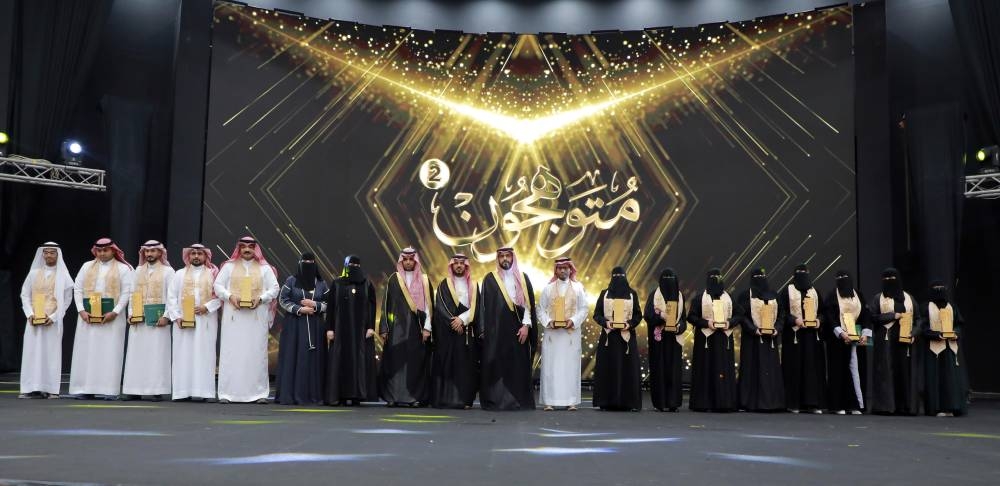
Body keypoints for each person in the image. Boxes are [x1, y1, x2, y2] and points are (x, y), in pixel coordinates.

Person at [213, 236, 280, 403]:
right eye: (243, 247)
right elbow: (218, 286)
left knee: (256, 354)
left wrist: (261, 298)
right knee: (231, 353)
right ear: (239, 249)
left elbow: (274, 288)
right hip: (234, 318)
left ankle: (259, 394)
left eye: (250, 246)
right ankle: (227, 393)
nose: (247, 249)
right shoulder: (228, 267)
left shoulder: (265, 268)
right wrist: (230, 296)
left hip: (256, 318)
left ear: (255, 249)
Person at [70, 238, 134, 399]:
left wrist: (115, 312)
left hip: (112, 318)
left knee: (109, 353)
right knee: (87, 352)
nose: (102, 253)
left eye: (105, 250)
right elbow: (77, 289)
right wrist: (81, 310)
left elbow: (127, 292)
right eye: (99, 250)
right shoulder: (86, 266)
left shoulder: (124, 269)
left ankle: (109, 390)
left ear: (113, 250)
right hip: (88, 317)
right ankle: (85, 389)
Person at [478, 247, 538, 411]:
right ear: (498, 259)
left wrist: (526, 326)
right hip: (496, 332)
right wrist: (483, 330)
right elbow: (483, 306)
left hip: (518, 329)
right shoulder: (490, 278)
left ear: (513, 258)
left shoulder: (523, 278)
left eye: (508, 256)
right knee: (497, 365)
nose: (505, 259)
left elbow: (528, 306)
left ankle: (518, 401)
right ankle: (497, 402)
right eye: (502, 256)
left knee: (517, 366)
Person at [378, 247, 433, 407]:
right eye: (405, 260)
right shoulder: (394, 279)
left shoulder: (424, 279)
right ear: (401, 261)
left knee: (414, 364)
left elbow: (429, 307)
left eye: (411, 260)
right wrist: (384, 328)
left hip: (417, 328)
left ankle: (413, 398)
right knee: (395, 363)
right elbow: (386, 305)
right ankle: (393, 397)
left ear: (415, 261)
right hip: (397, 330)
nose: (408, 262)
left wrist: (427, 328)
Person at [18, 242, 73, 399]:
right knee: (31, 353)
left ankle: (51, 389)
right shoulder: (33, 273)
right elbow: (25, 295)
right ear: (42, 254)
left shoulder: (64, 275)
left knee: (51, 354)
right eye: (46, 252)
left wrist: (54, 317)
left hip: (52, 322)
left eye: (52, 253)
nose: (49, 255)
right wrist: (29, 314)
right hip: (33, 320)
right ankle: (29, 388)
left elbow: (67, 300)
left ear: (57, 255)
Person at [122, 240, 175, 401]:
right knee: (136, 355)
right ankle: (133, 390)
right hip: (139, 320)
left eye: (153, 251)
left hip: (158, 321)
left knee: (156, 355)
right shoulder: (137, 270)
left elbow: (172, 296)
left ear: (160, 253)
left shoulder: (168, 271)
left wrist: (166, 316)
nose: (149, 254)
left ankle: (157, 390)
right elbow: (132, 294)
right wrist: (131, 313)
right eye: (147, 251)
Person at [166, 243, 221, 402]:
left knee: (205, 355)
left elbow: (220, 296)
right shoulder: (179, 274)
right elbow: (171, 297)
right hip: (183, 321)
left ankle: (205, 392)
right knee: (182, 355)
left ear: (205, 256)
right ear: (188, 256)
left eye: (199, 254)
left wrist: (206, 307)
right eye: (193, 254)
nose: (196, 256)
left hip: (206, 320)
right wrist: (177, 317)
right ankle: (182, 392)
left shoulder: (213, 274)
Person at [275, 252, 329, 405]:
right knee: (293, 356)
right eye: (305, 262)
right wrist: (299, 309)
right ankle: (291, 395)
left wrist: (315, 305)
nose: (308, 265)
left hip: (315, 327)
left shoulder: (321, 283)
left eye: (310, 262)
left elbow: (330, 303)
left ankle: (314, 395)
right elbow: (282, 300)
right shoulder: (291, 281)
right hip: (295, 327)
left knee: (314, 360)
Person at [325, 255, 377, 406]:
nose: (353, 267)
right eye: (350, 265)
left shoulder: (367, 284)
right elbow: (330, 307)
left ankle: (357, 395)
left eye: (356, 265)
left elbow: (372, 306)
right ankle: (340, 395)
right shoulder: (337, 283)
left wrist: (371, 327)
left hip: (360, 331)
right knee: (339, 360)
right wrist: (329, 328)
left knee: (358, 361)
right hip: (340, 330)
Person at [537, 257, 588, 411]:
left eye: (566, 268)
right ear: (556, 270)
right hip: (553, 335)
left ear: (570, 269)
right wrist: (549, 322)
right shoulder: (548, 288)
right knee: (551, 367)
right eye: (560, 268)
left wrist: (573, 320)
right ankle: (549, 402)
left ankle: (571, 401)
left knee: (570, 367)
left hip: (570, 335)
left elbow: (584, 309)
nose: (563, 271)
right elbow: (540, 309)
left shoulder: (578, 288)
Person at [430, 253, 479, 409]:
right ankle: (446, 399)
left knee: (465, 367)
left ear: (466, 266)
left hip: (466, 332)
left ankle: (464, 400)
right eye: (456, 263)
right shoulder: (444, 284)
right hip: (447, 333)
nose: (459, 265)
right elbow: (440, 307)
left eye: (461, 263)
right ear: (452, 265)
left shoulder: (474, 285)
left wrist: (462, 320)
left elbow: (476, 307)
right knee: (447, 365)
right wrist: (454, 322)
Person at [869, 268, 922, 415]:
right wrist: (893, 316)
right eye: (886, 278)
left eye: (892, 278)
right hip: (887, 340)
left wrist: (914, 334)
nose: (889, 281)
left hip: (905, 341)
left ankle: (906, 406)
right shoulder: (878, 298)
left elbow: (918, 319)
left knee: (904, 372)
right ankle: (886, 406)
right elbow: (872, 316)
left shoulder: (909, 298)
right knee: (887, 372)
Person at [592, 266, 643, 411]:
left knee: (627, 369)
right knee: (608, 369)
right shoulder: (604, 294)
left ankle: (627, 403)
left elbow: (638, 315)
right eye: (616, 276)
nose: (618, 279)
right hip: (609, 339)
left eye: (621, 276)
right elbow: (597, 314)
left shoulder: (632, 294)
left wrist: (629, 324)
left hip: (626, 340)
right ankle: (607, 402)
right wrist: (606, 323)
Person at [687, 269, 738, 412]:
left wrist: (730, 322)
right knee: (705, 369)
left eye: (717, 277)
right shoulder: (699, 298)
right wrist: (706, 323)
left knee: (722, 370)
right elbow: (691, 316)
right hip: (706, 340)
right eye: (712, 277)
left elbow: (739, 314)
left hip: (723, 339)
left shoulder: (729, 298)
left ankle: (724, 403)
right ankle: (703, 403)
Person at [779, 264, 827, 414]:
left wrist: (819, 320)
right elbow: (781, 313)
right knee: (794, 368)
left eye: (804, 272)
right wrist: (794, 320)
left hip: (812, 337)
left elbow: (823, 312)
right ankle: (793, 403)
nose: (802, 275)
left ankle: (812, 404)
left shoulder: (815, 291)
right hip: (794, 336)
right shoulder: (787, 291)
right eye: (799, 272)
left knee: (812, 369)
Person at [734, 268, 785, 412]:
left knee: (770, 370)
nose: (760, 278)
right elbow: (741, 316)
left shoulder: (774, 295)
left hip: (770, 340)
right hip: (752, 340)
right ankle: (748, 402)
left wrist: (777, 328)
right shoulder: (745, 296)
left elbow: (782, 315)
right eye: (757, 276)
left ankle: (772, 402)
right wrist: (753, 329)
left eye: (762, 275)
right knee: (751, 369)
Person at [824, 270, 871, 415]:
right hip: (838, 340)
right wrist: (841, 333)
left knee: (856, 371)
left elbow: (866, 315)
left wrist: (865, 333)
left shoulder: (858, 295)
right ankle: (838, 405)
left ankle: (855, 405)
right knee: (839, 371)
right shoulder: (832, 296)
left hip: (856, 338)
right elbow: (830, 317)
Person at [919, 281, 968, 417]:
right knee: (936, 378)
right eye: (936, 288)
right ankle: (937, 408)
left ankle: (952, 407)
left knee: (951, 378)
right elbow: (922, 327)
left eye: (942, 288)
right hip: (934, 349)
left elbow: (959, 324)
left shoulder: (952, 306)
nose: (939, 291)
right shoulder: (926, 307)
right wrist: (936, 335)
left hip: (950, 348)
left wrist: (956, 334)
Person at [644, 268, 687, 412]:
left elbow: (683, 319)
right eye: (666, 278)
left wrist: (679, 327)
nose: (669, 282)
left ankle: (673, 403)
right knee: (659, 370)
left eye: (671, 278)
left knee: (674, 372)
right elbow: (647, 315)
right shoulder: (653, 295)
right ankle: (660, 403)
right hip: (659, 341)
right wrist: (661, 316)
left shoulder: (680, 296)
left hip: (674, 340)